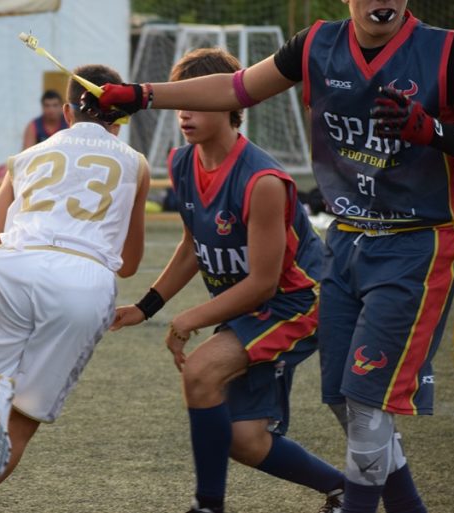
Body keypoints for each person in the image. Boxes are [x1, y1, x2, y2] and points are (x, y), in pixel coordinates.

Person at [82, 2, 454, 512]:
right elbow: (235, 85)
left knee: (361, 401)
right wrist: (141, 95)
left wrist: (430, 130)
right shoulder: (315, 45)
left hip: (412, 244)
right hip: (347, 239)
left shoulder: (448, 52)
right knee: (337, 401)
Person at [110, 47, 345, 513]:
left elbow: (262, 282)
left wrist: (190, 317)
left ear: (230, 104)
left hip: (296, 303)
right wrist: (146, 306)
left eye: (196, 101)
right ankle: (348, 492)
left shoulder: (263, 181)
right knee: (245, 440)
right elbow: (193, 248)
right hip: (251, 308)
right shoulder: (181, 163)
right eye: (179, 103)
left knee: (200, 372)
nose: (184, 113)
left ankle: (207, 506)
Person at [0, 64, 151, 512]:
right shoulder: (136, 163)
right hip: (84, 284)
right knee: (20, 424)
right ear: (119, 117)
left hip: (16, 270)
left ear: (66, 110)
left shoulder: (28, 156)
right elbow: (130, 264)